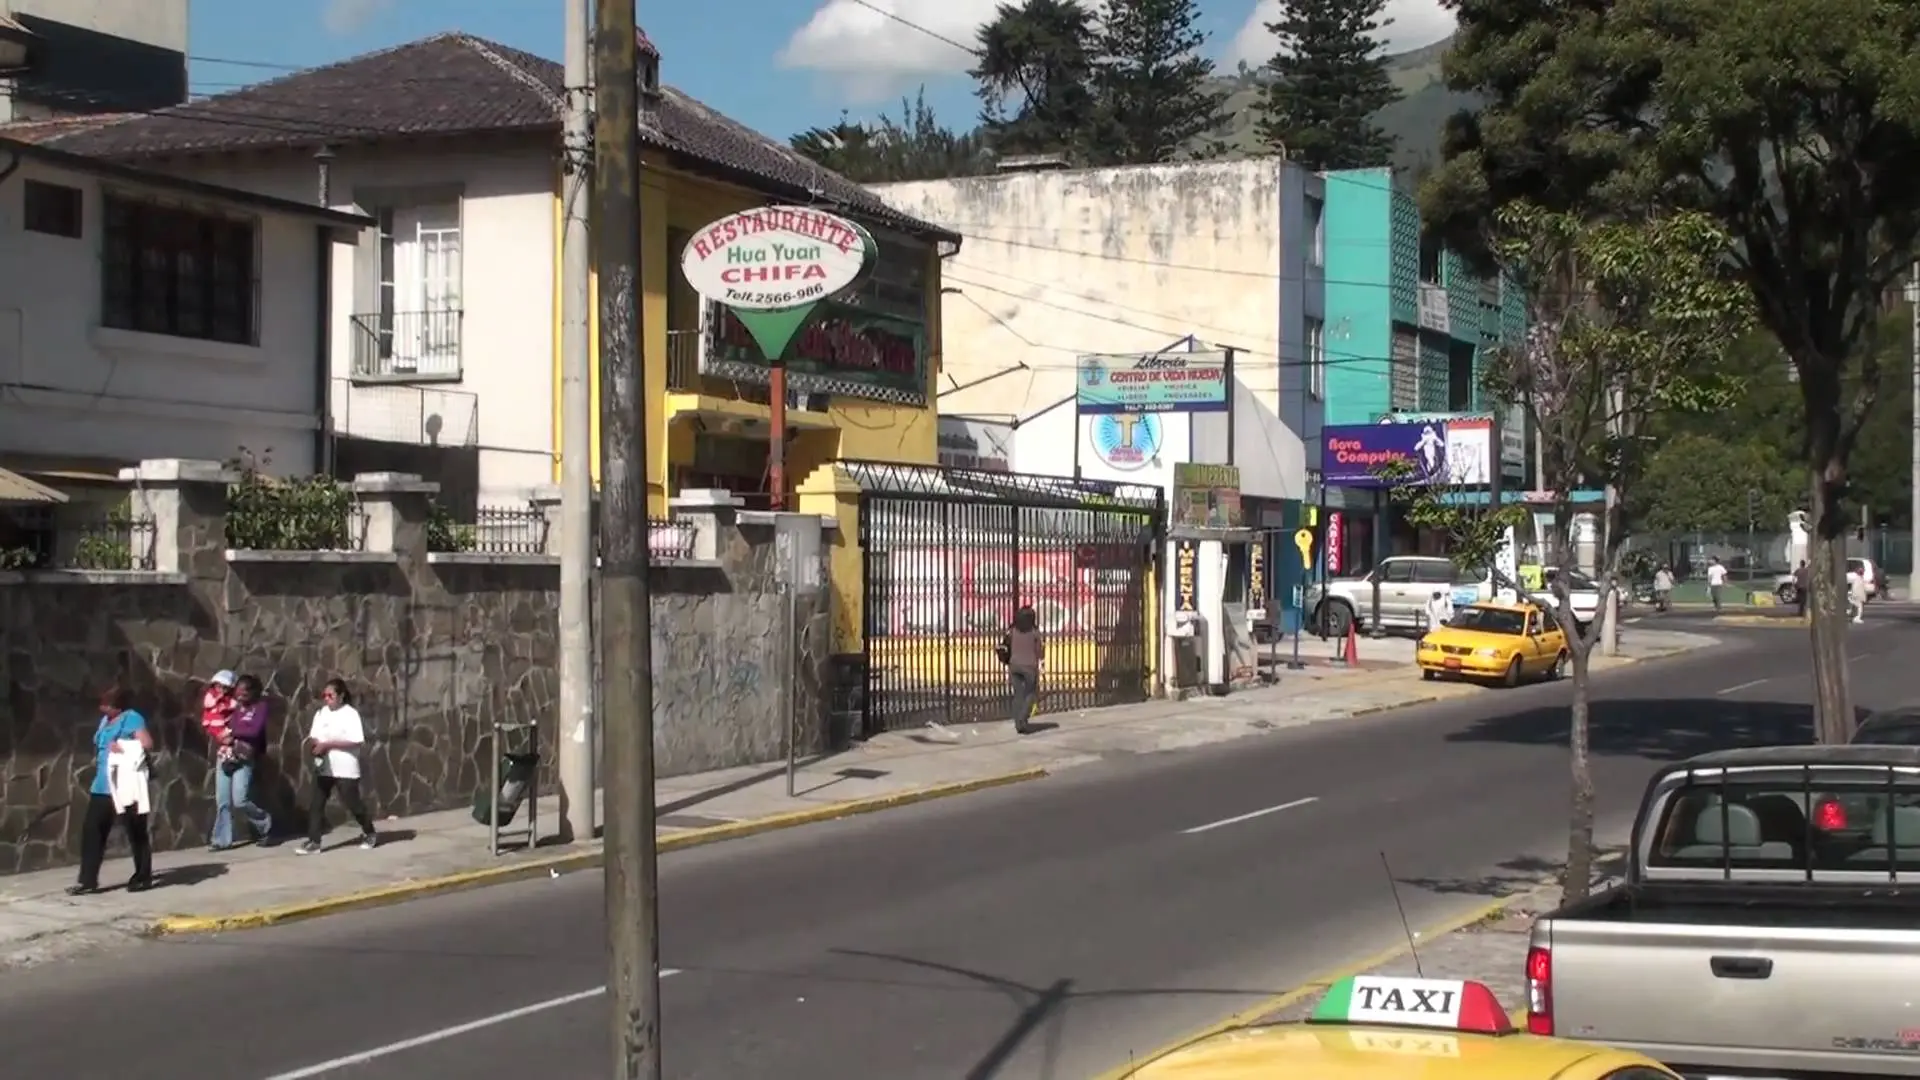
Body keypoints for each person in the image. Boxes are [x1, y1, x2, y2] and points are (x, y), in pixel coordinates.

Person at [71, 686, 155, 895]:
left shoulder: (132, 718)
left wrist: (123, 746)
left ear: (118, 706)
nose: (102, 709)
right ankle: (87, 880)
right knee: (92, 830)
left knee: (135, 831)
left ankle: (142, 876)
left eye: (106, 705)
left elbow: (147, 743)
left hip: (125, 784)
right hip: (102, 785)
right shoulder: (105, 721)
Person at [298, 679, 377, 854]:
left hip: (345, 768)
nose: (327, 699)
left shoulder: (350, 714)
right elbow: (314, 735)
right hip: (324, 766)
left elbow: (355, 740)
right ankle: (314, 842)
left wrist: (330, 745)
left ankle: (369, 832)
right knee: (316, 804)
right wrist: (317, 745)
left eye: (331, 695)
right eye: (324, 695)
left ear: (341, 696)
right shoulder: (321, 713)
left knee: (353, 804)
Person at [210, 674, 274, 850]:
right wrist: (230, 733)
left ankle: (264, 824)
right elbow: (228, 725)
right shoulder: (236, 708)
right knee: (222, 800)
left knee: (240, 799)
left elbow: (254, 731)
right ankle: (221, 840)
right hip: (227, 754)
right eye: (237, 692)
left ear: (253, 692)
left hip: (245, 756)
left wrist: (234, 733)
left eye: (244, 692)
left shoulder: (261, 707)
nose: (240, 696)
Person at [1001, 606, 1045, 736]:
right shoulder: (1034, 632)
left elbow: (1006, 645)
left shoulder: (1012, 630)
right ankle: (1022, 719)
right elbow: (1039, 651)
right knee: (1030, 694)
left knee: (1018, 695)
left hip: (1014, 665)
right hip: (1029, 666)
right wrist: (1041, 662)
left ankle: (1018, 721)